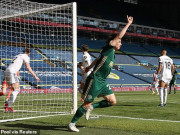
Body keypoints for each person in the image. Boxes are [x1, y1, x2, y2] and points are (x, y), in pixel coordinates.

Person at [68, 15, 133, 132]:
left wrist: (89, 67)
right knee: (86, 104)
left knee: (112, 101)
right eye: (120, 42)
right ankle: (72, 123)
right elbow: (119, 36)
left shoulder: (110, 52)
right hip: (95, 79)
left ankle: (92, 107)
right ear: (114, 41)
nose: (121, 43)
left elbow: (98, 59)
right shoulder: (109, 48)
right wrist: (128, 24)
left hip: (102, 81)